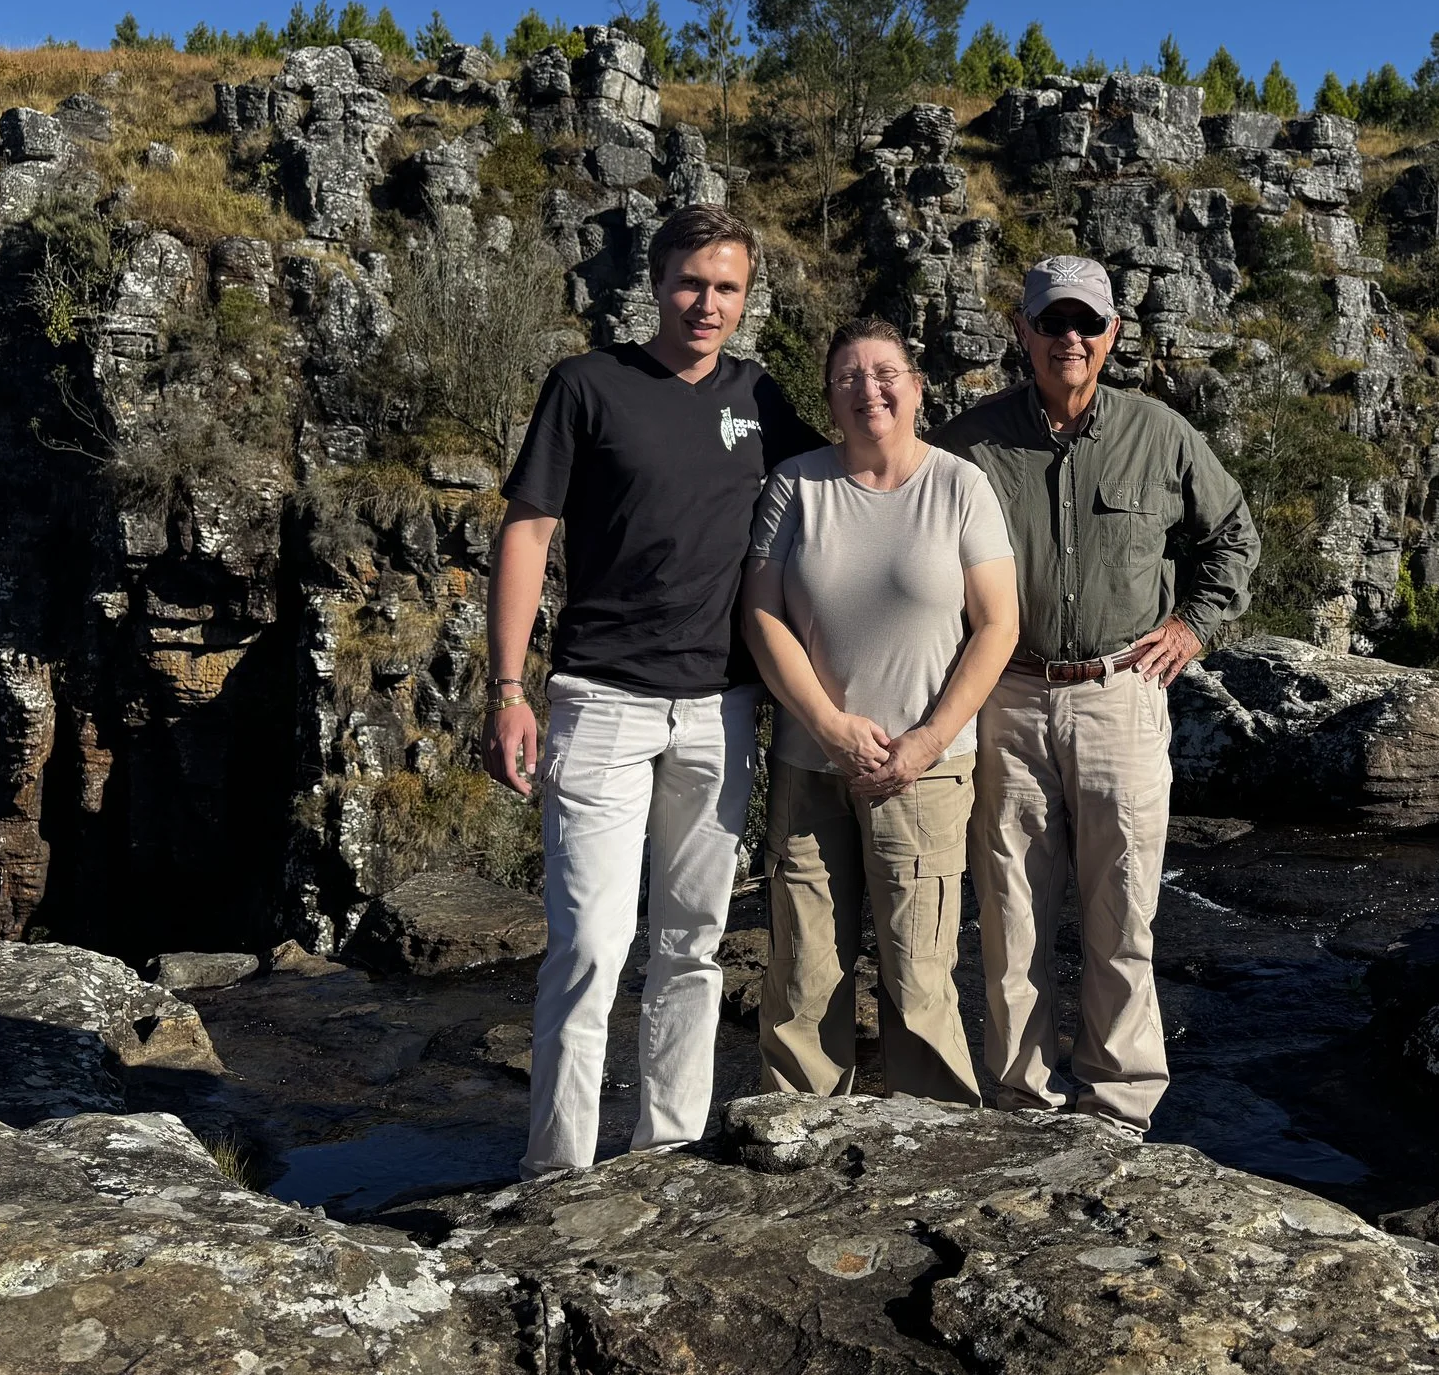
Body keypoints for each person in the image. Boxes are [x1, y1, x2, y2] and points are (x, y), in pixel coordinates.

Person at [486, 203, 821, 1177]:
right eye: (690, 283)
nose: (706, 304)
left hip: (722, 709)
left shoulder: (762, 400)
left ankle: (664, 1157)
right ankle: (557, 1176)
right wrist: (508, 688)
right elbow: (526, 532)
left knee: (692, 949)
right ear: (655, 283)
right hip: (599, 703)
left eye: (727, 288)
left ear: (746, 297)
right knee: (589, 948)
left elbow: (844, 498)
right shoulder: (587, 386)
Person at [937, 254, 1260, 1133]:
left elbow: (1234, 537)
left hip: (1122, 693)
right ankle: (1019, 1095)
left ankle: (1117, 1103)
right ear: (1023, 331)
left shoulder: (1161, 434)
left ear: (1112, 334)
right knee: (1011, 914)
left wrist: (1192, 625)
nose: (1069, 339)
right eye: (1053, 323)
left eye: (1087, 323)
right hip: (1005, 695)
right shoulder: (968, 443)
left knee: (1124, 909)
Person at [741, 317, 1019, 1104]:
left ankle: (932, 1145)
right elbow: (761, 616)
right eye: (849, 377)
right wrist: (830, 725)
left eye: (885, 372)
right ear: (829, 397)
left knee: (920, 971)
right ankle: (797, 1130)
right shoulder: (796, 484)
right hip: (808, 764)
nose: (870, 388)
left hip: (924, 773)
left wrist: (928, 741)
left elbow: (998, 623)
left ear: (917, 387)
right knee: (803, 971)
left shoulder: (959, 485)